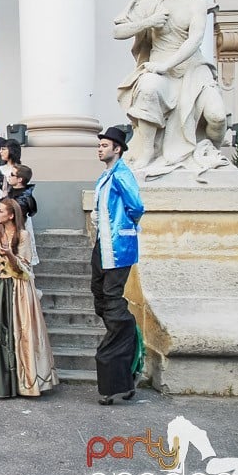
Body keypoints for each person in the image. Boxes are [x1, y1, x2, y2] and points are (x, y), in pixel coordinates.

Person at [114, 0, 226, 173]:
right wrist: (148, 22)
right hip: (158, 67)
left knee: (217, 116)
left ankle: (209, 151)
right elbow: (117, 32)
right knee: (148, 88)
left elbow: (195, 39)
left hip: (192, 68)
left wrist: (166, 65)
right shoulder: (149, 2)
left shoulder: (195, 1)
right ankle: (146, 152)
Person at [0, 198, 59, 398]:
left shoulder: (23, 235)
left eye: (0, 211)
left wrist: (10, 255)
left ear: (11, 215)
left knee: (20, 333)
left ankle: (24, 383)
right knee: (0, 333)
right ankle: (2, 383)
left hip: (17, 289)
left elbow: (25, 269)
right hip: (0, 287)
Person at [92, 127, 145, 405]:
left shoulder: (123, 174)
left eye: (104, 145)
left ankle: (117, 374)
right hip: (102, 245)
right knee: (100, 298)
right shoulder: (106, 175)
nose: (100, 149)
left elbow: (136, 206)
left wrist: (125, 229)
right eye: (99, 145)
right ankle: (126, 336)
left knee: (112, 301)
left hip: (118, 248)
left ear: (118, 149)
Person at [5, 164, 40, 267]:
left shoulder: (24, 197)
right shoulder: (12, 191)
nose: (9, 177)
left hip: (17, 234)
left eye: (12, 175)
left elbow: (17, 216)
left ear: (19, 179)